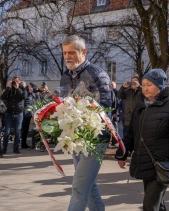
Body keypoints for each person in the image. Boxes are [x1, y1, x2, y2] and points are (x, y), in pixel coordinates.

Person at [115, 69, 169, 211]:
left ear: (159, 86)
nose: (145, 88)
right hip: (145, 162)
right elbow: (132, 133)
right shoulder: (141, 105)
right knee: (157, 205)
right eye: (143, 85)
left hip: (163, 164)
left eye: (149, 84)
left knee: (150, 206)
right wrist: (123, 152)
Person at [60, 35, 111, 211]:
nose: (67, 56)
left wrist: (78, 114)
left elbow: (104, 107)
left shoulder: (97, 75)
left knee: (79, 187)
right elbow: (62, 103)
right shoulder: (66, 76)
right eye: (65, 52)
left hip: (95, 138)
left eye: (72, 52)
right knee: (88, 186)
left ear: (83, 52)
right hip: (75, 138)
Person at [1, 76, 26, 154]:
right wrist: (8, 87)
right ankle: (4, 148)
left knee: (17, 132)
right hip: (9, 113)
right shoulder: (8, 89)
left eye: (17, 81)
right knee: (7, 132)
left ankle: (16, 148)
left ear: (19, 82)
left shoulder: (22, 89)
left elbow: (24, 97)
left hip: (18, 113)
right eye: (14, 81)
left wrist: (17, 88)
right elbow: (3, 97)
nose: (15, 82)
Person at [21, 83, 37, 149]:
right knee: (24, 129)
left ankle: (25, 143)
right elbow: (24, 98)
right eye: (30, 88)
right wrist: (28, 92)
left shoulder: (33, 94)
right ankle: (23, 143)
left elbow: (34, 102)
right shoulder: (26, 93)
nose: (31, 89)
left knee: (27, 129)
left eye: (32, 88)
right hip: (25, 114)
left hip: (30, 113)